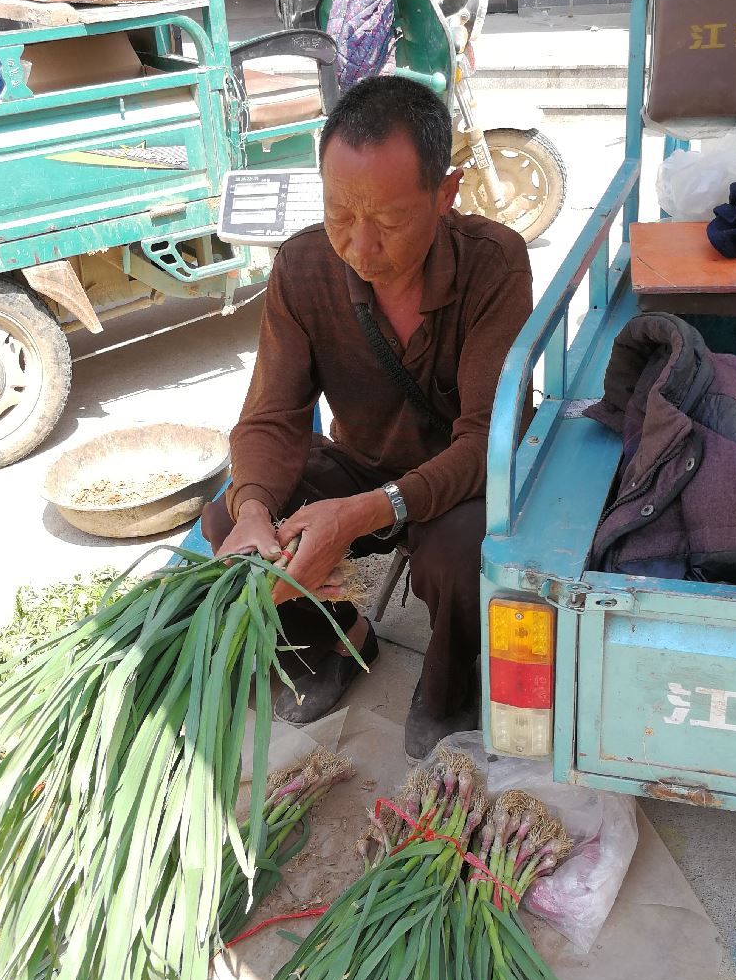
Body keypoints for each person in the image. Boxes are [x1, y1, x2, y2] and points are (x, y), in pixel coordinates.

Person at [202, 74, 532, 758]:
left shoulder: (493, 263)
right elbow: (270, 418)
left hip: (457, 479)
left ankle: (450, 684)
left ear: (444, 194)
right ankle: (335, 636)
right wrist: (257, 512)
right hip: (359, 461)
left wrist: (361, 514)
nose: (357, 244)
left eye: (386, 221)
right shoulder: (301, 267)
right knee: (228, 514)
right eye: (337, 214)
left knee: (459, 548)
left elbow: (486, 441)